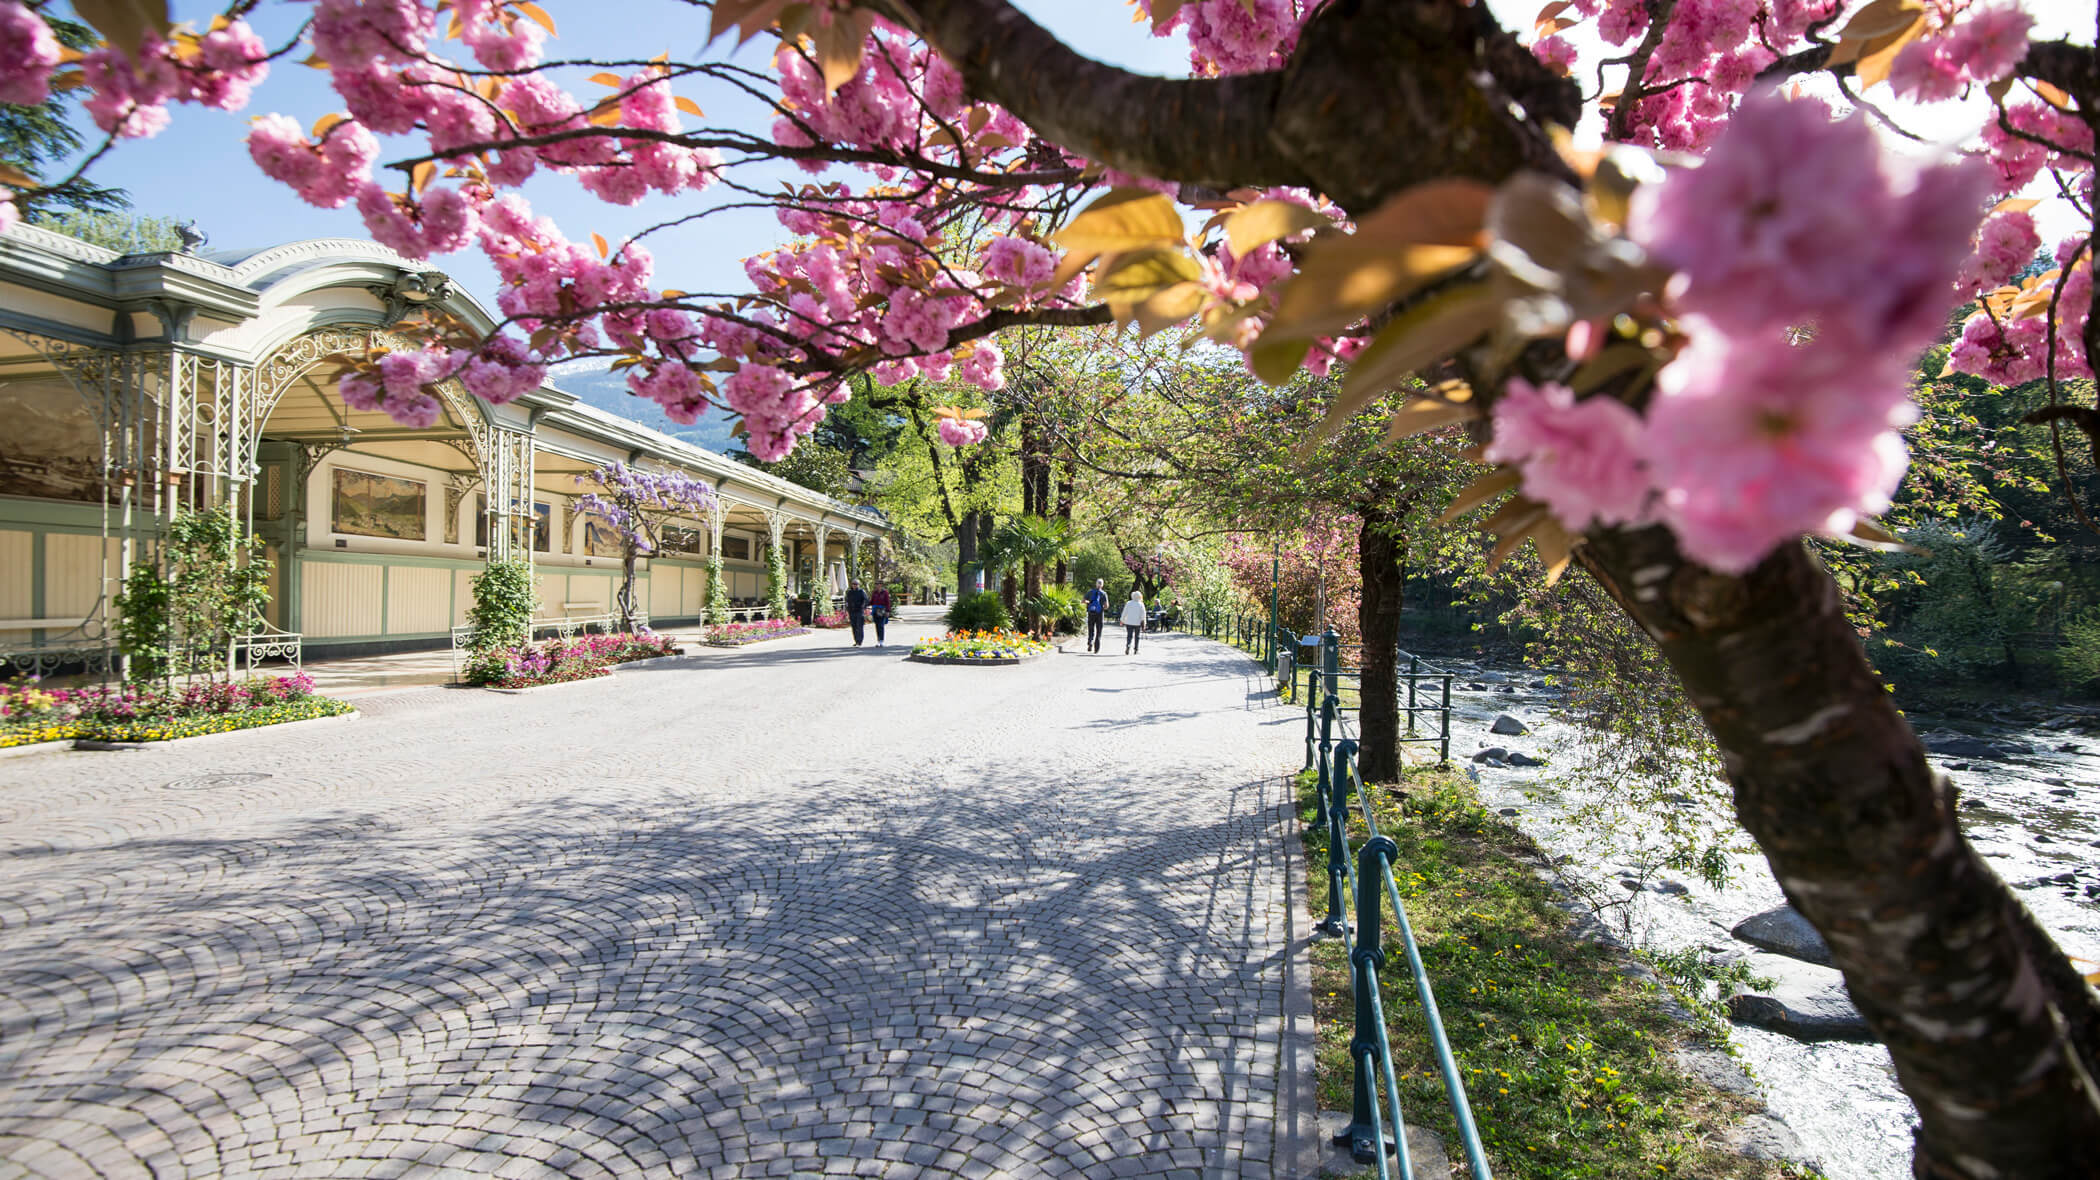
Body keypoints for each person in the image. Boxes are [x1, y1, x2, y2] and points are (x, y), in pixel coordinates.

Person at [1083, 578, 1109, 653]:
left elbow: (1083, 601)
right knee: (1099, 631)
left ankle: (1090, 642)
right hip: (1099, 614)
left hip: (1091, 613)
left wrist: (1089, 603)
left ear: (1096, 584)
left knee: (1091, 629)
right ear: (1102, 585)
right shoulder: (1104, 594)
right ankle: (1096, 648)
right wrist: (1102, 608)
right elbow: (1106, 605)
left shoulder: (1090, 592)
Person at [1120, 589, 1147, 654]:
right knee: (1137, 636)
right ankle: (1136, 649)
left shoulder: (1128, 603)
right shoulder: (1141, 604)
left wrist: (1122, 620)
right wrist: (1144, 624)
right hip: (1137, 623)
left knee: (1129, 635)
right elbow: (1143, 615)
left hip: (1129, 622)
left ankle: (1128, 645)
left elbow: (1124, 612)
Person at [843, 580, 869, 647]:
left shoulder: (861, 592)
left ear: (858, 585)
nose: (854, 585)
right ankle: (856, 641)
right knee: (854, 627)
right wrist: (847, 609)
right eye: (853, 584)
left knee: (859, 626)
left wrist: (863, 607)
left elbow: (866, 600)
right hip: (852, 611)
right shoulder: (849, 592)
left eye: (856, 584)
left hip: (859, 611)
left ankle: (859, 641)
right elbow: (847, 601)